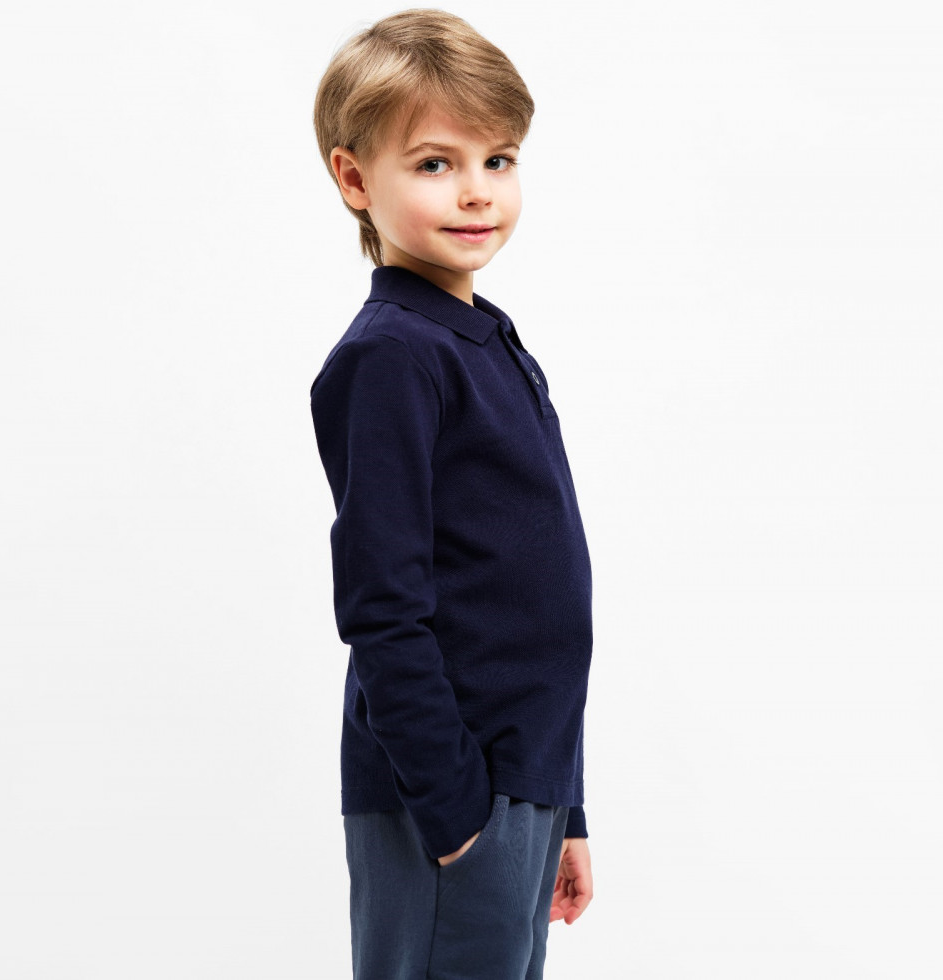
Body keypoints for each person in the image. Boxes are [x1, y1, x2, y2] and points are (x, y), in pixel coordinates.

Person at [310, 10, 594, 979]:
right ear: (355, 179)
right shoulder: (391, 357)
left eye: (498, 159)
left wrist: (563, 805)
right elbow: (381, 604)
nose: (477, 191)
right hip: (452, 795)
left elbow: (531, 600)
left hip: (519, 785)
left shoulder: (486, 339)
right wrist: (455, 811)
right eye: (435, 163)